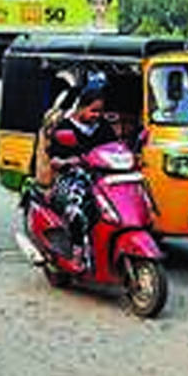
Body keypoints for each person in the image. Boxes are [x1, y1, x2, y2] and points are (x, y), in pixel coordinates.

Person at [46, 74, 120, 257]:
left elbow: (114, 147)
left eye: (100, 111)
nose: (97, 115)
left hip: (101, 179)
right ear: (81, 108)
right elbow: (54, 160)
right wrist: (66, 162)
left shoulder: (103, 127)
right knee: (76, 212)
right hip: (71, 178)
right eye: (93, 111)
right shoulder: (65, 127)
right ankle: (76, 248)